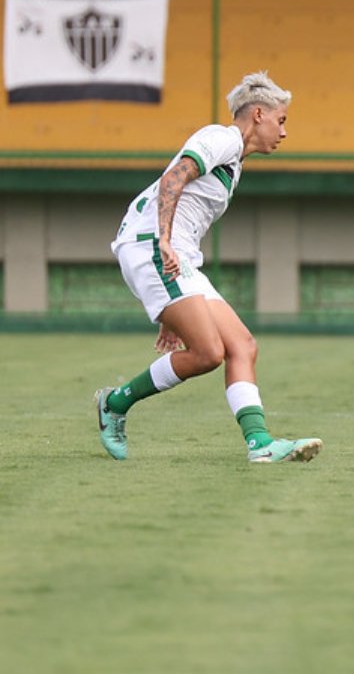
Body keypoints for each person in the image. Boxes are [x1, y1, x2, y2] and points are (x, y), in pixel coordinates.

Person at [94, 72, 322, 463]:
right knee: (207, 352)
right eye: (280, 121)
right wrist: (163, 241)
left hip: (176, 257)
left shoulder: (234, 162)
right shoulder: (221, 138)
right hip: (151, 245)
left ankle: (261, 444)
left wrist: (175, 306)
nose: (283, 132)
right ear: (257, 115)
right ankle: (114, 404)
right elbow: (172, 180)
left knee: (242, 346)